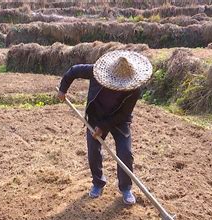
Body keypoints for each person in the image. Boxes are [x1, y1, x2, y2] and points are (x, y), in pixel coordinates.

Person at [57, 50, 152, 205]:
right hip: (96, 117)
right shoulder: (96, 71)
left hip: (119, 120)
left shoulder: (134, 89)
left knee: (125, 153)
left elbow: (123, 114)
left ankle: (126, 188)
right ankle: (98, 183)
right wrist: (63, 89)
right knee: (94, 152)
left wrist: (103, 126)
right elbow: (73, 71)